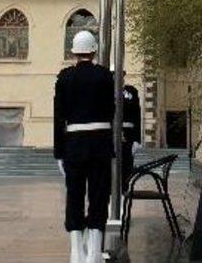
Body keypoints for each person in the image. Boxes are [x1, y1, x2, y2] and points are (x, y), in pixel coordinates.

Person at [54, 30, 114, 263]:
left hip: (74, 145)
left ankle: (76, 253)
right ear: (94, 50)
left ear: (73, 52)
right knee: (99, 196)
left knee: (75, 196)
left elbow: (59, 116)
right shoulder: (104, 76)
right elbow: (111, 111)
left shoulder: (64, 77)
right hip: (100, 143)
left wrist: (60, 152)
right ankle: (94, 253)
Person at [121, 76, 142, 191]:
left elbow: (137, 116)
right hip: (111, 134)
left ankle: (125, 189)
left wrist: (136, 139)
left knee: (127, 164)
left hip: (128, 133)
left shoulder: (131, 91)